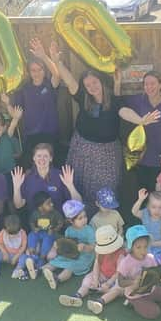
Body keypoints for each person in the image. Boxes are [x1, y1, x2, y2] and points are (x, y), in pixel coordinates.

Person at [48, 41, 123, 212]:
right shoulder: (83, 98)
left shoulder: (113, 99)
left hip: (107, 155)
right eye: (88, 85)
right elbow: (69, 79)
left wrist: (118, 83)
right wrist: (57, 62)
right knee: (79, 184)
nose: (92, 87)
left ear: (101, 81)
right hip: (83, 150)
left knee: (106, 189)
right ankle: (81, 222)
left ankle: (106, 222)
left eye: (94, 83)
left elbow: (120, 109)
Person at [1, 38, 61, 168]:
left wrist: (43, 56)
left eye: (40, 69)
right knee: (31, 169)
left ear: (44, 70)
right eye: (33, 70)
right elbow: (15, 114)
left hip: (50, 134)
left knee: (51, 168)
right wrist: (7, 103)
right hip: (30, 135)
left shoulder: (49, 85)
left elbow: (57, 74)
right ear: (29, 72)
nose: (37, 73)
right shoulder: (24, 89)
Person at [119, 70, 161, 191]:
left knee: (159, 196)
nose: (149, 87)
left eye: (152, 83)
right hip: (142, 158)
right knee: (144, 195)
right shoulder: (139, 100)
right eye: (146, 84)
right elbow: (120, 107)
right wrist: (140, 120)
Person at [58, 225, 125, 315]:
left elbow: (119, 272)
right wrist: (95, 279)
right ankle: (77, 296)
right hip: (103, 273)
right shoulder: (99, 251)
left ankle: (100, 302)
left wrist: (109, 283)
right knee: (87, 279)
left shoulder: (120, 254)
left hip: (116, 278)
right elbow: (97, 264)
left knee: (118, 289)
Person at [118, 225, 161, 320]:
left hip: (150, 289)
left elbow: (156, 270)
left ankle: (147, 300)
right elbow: (120, 282)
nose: (143, 251)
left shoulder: (150, 257)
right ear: (131, 247)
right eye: (138, 247)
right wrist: (133, 282)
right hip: (134, 294)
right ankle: (132, 302)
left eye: (145, 246)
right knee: (155, 313)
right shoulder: (126, 263)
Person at [11, 143, 82, 214]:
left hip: (58, 220)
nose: (42, 159)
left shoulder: (61, 175)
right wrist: (16, 187)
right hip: (34, 222)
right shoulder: (27, 178)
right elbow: (18, 205)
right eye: (39, 156)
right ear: (34, 158)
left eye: (45, 156)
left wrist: (70, 186)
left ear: (51, 158)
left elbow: (78, 203)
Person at [42, 200, 96, 290]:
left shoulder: (89, 230)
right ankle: (43, 269)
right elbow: (67, 246)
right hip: (71, 254)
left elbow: (93, 247)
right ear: (71, 221)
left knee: (70, 267)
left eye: (85, 216)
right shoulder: (69, 231)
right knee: (57, 260)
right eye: (80, 218)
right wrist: (58, 247)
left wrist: (84, 247)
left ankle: (57, 279)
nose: (84, 220)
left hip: (85, 256)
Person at [25, 191, 64, 273]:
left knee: (47, 239)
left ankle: (42, 259)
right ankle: (32, 255)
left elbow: (61, 222)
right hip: (39, 232)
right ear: (40, 207)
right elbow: (31, 222)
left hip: (50, 233)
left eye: (51, 202)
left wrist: (54, 229)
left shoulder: (55, 213)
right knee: (31, 235)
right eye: (48, 203)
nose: (52, 204)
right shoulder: (35, 214)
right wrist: (34, 228)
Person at [0, 215, 28, 279]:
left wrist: (16, 256)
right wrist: (4, 252)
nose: (12, 237)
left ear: (19, 229)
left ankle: (17, 271)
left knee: (24, 257)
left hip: (18, 255)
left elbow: (23, 247)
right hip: (6, 255)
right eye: (10, 234)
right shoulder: (3, 232)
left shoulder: (22, 233)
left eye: (15, 234)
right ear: (5, 229)